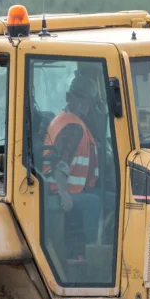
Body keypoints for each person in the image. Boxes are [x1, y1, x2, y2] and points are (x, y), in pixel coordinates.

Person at [43, 74, 105, 263]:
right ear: (70, 98)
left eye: (88, 101)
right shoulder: (73, 127)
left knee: (109, 198)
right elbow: (60, 161)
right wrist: (63, 193)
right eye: (81, 99)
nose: (84, 106)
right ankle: (90, 253)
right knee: (94, 203)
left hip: (68, 188)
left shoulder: (67, 120)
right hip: (60, 191)